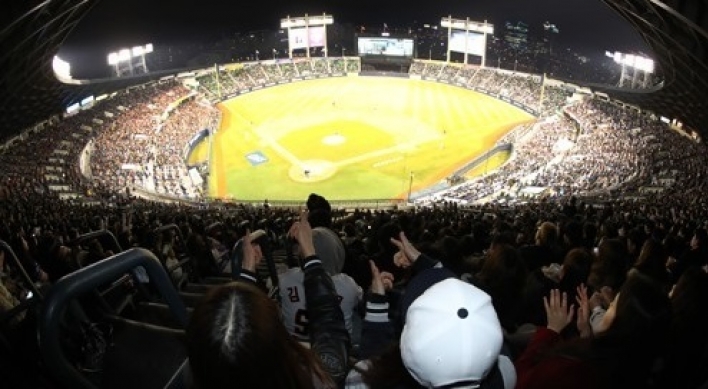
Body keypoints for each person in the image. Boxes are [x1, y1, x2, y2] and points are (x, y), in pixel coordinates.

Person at [186, 211, 350, 388]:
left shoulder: (201, 373)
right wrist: (309, 252)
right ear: (278, 345)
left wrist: (247, 272)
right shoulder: (314, 381)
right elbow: (330, 329)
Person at [346, 232, 516, 389]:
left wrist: (376, 305)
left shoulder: (360, 382)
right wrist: (425, 264)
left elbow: (372, 372)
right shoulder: (506, 374)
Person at [515, 272, 671, 389]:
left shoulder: (574, 371)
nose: (607, 306)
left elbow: (520, 380)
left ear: (622, 323)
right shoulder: (635, 372)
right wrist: (585, 333)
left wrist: (552, 330)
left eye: (612, 305)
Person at [279, 226, 363, 342]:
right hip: (335, 352)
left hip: (296, 349)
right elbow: (360, 301)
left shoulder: (286, 278)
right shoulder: (348, 284)